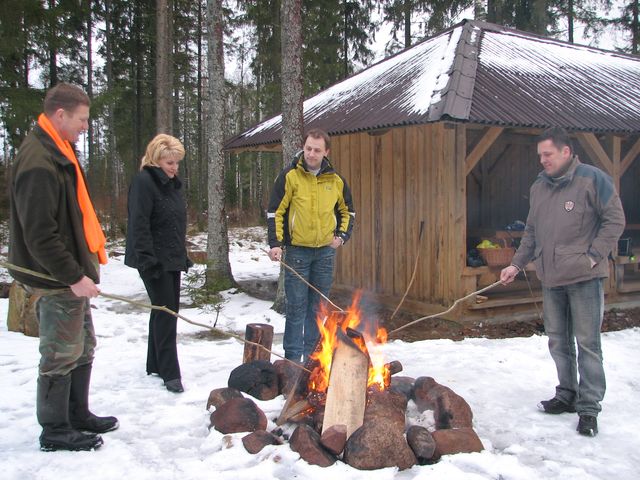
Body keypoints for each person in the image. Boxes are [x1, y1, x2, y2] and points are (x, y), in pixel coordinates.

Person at [8, 83, 118, 452]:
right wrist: (73, 276)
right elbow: (39, 235)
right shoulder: (39, 162)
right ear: (60, 115)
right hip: (56, 278)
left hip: (72, 274)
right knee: (59, 353)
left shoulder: (60, 151)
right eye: (82, 120)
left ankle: (77, 413)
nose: (86, 127)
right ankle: (55, 429)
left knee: (83, 346)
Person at [500, 127, 625, 437]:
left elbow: (615, 220)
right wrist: (515, 265)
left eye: (548, 155)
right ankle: (566, 395)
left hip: (584, 277)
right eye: (540, 155)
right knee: (558, 341)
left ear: (566, 152)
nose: (543, 160)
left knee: (588, 344)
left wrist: (595, 255)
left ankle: (588, 408)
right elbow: (531, 233)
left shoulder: (592, 179)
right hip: (551, 278)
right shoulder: (539, 187)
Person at [267, 129, 355, 362]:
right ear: (303, 148)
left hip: (325, 253)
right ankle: (293, 361)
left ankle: (313, 359)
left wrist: (341, 237)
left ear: (326, 152)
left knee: (318, 309)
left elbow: (348, 211)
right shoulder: (290, 176)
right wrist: (275, 244)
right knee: (296, 308)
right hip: (297, 251)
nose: (311, 154)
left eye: (317, 150)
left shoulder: (336, 180)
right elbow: (276, 211)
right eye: (308, 148)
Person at [124, 134, 191, 393]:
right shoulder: (144, 182)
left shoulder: (171, 184)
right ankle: (170, 372)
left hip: (171, 257)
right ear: (156, 159)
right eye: (169, 162)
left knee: (163, 309)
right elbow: (138, 224)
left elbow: (173, 222)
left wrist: (181, 254)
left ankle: (154, 363)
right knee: (167, 313)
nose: (174, 168)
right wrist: (147, 260)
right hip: (153, 259)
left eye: (176, 163)